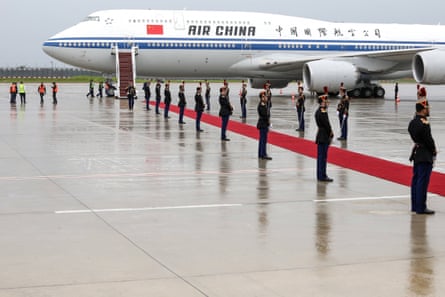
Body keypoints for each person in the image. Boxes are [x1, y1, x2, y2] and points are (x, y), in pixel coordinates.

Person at [408, 96, 437, 215]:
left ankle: (415, 205)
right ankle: (421, 207)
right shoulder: (424, 122)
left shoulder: (413, 122)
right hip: (425, 154)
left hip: (417, 152)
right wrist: (434, 149)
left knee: (416, 181)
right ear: (423, 109)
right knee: (422, 182)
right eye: (427, 108)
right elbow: (428, 139)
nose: (428, 110)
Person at [315, 91, 334, 182]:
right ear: (322, 102)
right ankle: (323, 175)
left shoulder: (317, 111)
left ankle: (319, 175)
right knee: (323, 157)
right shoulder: (323, 112)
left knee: (320, 157)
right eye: (326, 101)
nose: (327, 103)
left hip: (320, 136)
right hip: (324, 136)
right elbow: (326, 124)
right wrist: (331, 132)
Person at [257, 91, 272, 160]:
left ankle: (261, 154)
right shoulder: (261, 106)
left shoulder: (265, 104)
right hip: (263, 124)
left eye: (265, 96)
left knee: (263, 140)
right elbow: (265, 115)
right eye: (263, 96)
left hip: (264, 124)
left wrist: (269, 95)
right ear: (261, 98)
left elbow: (270, 104)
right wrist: (268, 122)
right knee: (263, 140)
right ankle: (263, 154)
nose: (265, 97)